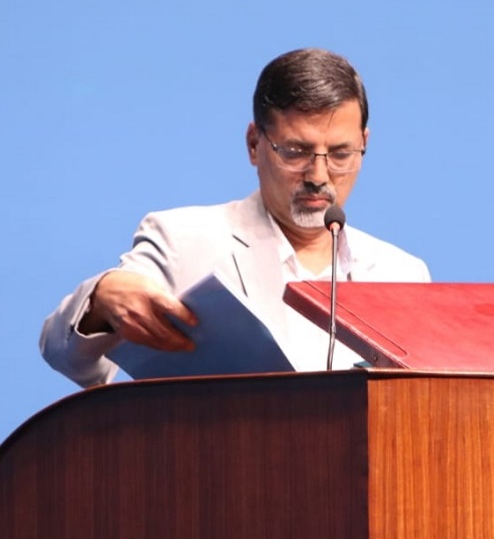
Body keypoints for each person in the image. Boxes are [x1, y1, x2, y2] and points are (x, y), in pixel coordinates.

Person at [40, 48, 431, 388]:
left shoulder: (403, 274)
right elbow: (66, 356)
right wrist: (100, 301)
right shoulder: (182, 241)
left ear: (364, 143)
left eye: (341, 154)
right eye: (295, 151)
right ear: (254, 144)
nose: (318, 175)